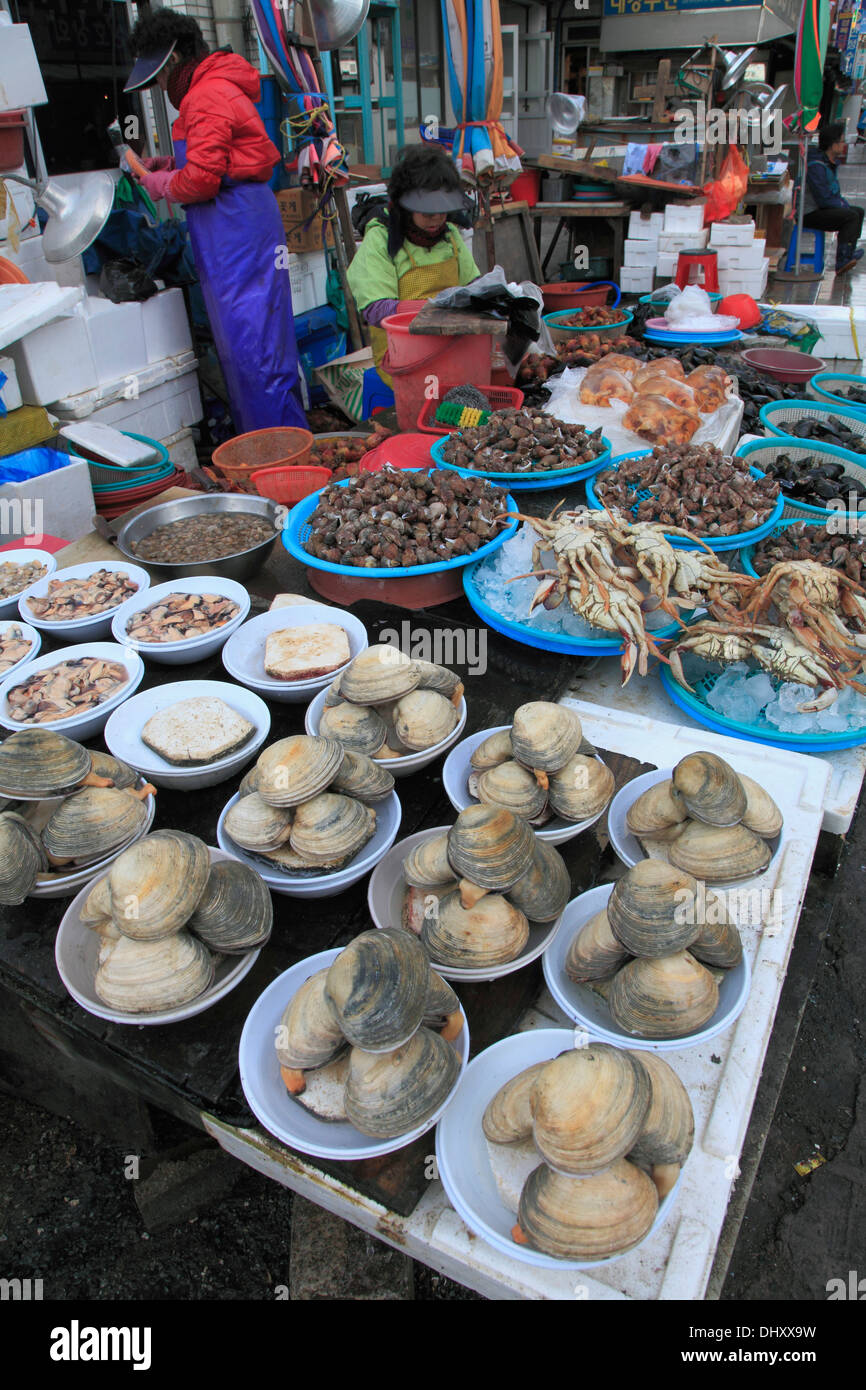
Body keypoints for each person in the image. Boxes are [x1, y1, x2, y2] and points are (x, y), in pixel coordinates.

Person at [124, 7, 307, 433]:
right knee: (257, 345)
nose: (160, 88)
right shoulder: (214, 90)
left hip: (236, 228)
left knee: (254, 349)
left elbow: (203, 180)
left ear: (171, 63)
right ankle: (273, 446)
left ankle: (275, 456)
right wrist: (168, 164)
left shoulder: (205, 94)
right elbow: (221, 159)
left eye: (158, 78)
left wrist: (161, 184)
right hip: (236, 225)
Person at [347, 145, 480, 383]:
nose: (437, 218)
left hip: (453, 350)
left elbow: (475, 285)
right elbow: (376, 310)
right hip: (401, 360)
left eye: (442, 210)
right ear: (405, 207)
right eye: (427, 212)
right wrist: (440, 310)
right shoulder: (380, 239)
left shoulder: (449, 234)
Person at [802, 121, 864, 275]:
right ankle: (842, 260)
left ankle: (848, 253)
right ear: (832, 144)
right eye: (842, 141)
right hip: (810, 213)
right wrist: (842, 205)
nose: (844, 144)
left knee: (859, 212)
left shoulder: (828, 162)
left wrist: (841, 204)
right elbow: (823, 198)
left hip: (823, 208)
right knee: (850, 216)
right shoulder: (817, 166)